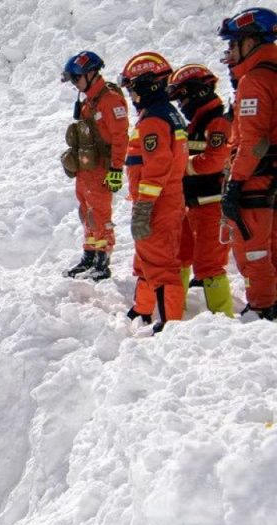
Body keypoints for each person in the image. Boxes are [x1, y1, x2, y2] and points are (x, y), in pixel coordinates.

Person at [119, 52, 189, 333]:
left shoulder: (154, 121)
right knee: (147, 258)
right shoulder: (169, 113)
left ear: (147, 86)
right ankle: (143, 308)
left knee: (160, 264)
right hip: (167, 199)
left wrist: (145, 206)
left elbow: (156, 167)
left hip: (158, 202)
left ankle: (170, 325)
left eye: (132, 89)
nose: (131, 96)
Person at [217, 8, 277, 319]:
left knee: (253, 250)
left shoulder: (255, 81)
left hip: (257, 178)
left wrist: (235, 184)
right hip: (271, 177)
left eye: (233, 44)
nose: (230, 52)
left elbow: (253, 142)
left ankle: (262, 308)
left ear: (250, 41)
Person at [167, 64, 235, 316]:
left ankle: (223, 317)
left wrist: (180, 166)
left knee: (209, 264)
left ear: (197, 92)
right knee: (180, 255)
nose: (181, 103)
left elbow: (214, 161)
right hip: (191, 202)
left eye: (182, 95)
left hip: (212, 204)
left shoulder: (218, 121)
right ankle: (175, 310)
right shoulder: (195, 122)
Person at [60, 51, 130, 280]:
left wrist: (117, 169)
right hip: (86, 169)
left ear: (90, 73)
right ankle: (89, 254)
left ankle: (103, 259)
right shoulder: (90, 99)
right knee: (86, 211)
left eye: (76, 79)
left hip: (103, 167)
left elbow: (121, 137)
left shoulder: (109, 100)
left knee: (100, 213)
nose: (75, 84)